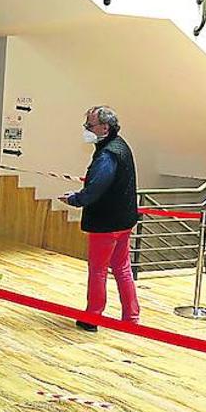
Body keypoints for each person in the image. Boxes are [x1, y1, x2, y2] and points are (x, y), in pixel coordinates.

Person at [60, 106, 141, 331]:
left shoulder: (107, 154)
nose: (86, 129)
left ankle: (93, 317)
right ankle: (131, 317)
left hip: (106, 223)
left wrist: (75, 199)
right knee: (122, 268)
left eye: (90, 125)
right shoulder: (121, 145)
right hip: (124, 220)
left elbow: (97, 188)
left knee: (98, 270)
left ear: (104, 128)